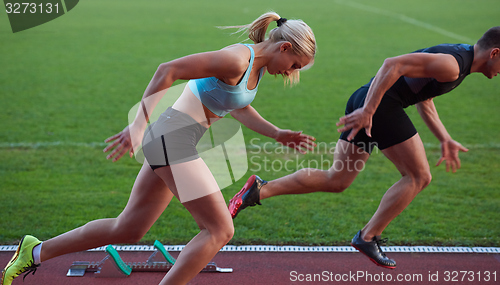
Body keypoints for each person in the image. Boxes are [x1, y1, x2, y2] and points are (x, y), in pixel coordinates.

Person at [1, 12, 317, 285]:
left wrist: (278, 134)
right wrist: (137, 125)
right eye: (294, 64)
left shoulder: (256, 69)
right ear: (284, 47)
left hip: (173, 140)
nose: (291, 72)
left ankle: (35, 250)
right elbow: (168, 70)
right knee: (219, 230)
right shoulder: (236, 59)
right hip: (170, 139)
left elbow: (236, 106)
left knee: (129, 227)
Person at [230, 26, 500, 269]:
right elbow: (391, 65)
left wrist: (444, 138)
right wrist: (370, 111)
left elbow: (423, 98)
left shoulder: (458, 63)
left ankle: (259, 190)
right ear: (495, 53)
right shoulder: (453, 65)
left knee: (337, 179)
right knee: (419, 176)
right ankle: (368, 236)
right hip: (379, 107)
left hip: (366, 101)